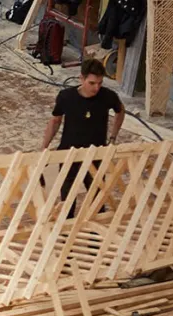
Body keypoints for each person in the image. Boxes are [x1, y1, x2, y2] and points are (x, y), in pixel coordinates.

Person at [41, 58, 125, 217]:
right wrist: (44, 147)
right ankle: (66, 234)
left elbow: (120, 111)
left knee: (97, 198)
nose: (97, 87)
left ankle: (95, 238)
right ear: (82, 78)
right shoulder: (66, 97)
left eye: (100, 83)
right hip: (69, 154)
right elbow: (55, 121)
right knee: (67, 199)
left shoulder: (108, 96)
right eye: (92, 83)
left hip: (95, 154)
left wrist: (113, 138)